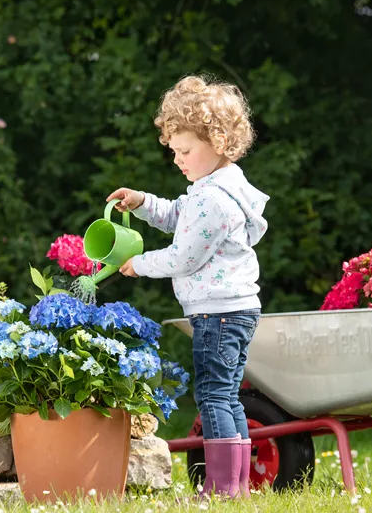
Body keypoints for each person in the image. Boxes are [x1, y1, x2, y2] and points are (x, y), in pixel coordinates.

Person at [107, 74, 269, 498]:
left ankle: (221, 488)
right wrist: (142, 203)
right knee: (226, 397)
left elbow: (184, 257)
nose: (177, 159)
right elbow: (178, 215)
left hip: (219, 313)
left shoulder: (212, 198)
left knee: (213, 397)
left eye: (185, 151)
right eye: (174, 151)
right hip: (233, 310)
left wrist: (139, 264)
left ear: (219, 142)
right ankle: (235, 487)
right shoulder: (217, 187)